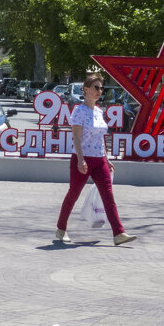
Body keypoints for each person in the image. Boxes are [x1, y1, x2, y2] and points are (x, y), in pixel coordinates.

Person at [54, 74, 136, 246]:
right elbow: (76, 137)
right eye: (96, 87)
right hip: (82, 159)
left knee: (108, 196)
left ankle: (119, 233)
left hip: (100, 160)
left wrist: (107, 158)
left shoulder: (99, 112)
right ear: (86, 89)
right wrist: (80, 160)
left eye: (101, 88)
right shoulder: (79, 111)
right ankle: (61, 229)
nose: (100, 91)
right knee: (73, 195)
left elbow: (101, 138)